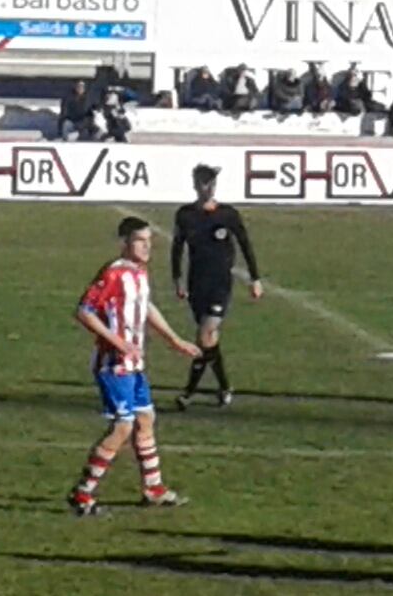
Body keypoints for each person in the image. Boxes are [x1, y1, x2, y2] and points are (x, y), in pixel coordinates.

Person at [69, 216, 201, 515]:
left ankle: (153, 488)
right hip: (114, 364)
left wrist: (174, 340)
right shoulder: (114, 273)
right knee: (123, 426)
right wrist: (118, 342)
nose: (147, 247)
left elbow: (145, 306)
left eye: (149, 241)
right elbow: (84, 311)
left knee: (145, 420)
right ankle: (82, 493)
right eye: (140, 241)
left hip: (134, 363)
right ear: (125, 243)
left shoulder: (139, 272)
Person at [171, 164, 266, 411]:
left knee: (204, 335)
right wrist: (177, 279)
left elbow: (245, 244)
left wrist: (255, 278)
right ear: (195, 184)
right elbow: (177, 247)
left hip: (220, 284)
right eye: (204, 182)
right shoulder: (185, 215)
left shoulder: (228, 215)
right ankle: (225, 388)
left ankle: (188, 393)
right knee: (210, 340)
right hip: (196, 284)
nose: (209, 187)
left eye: (212, 182)